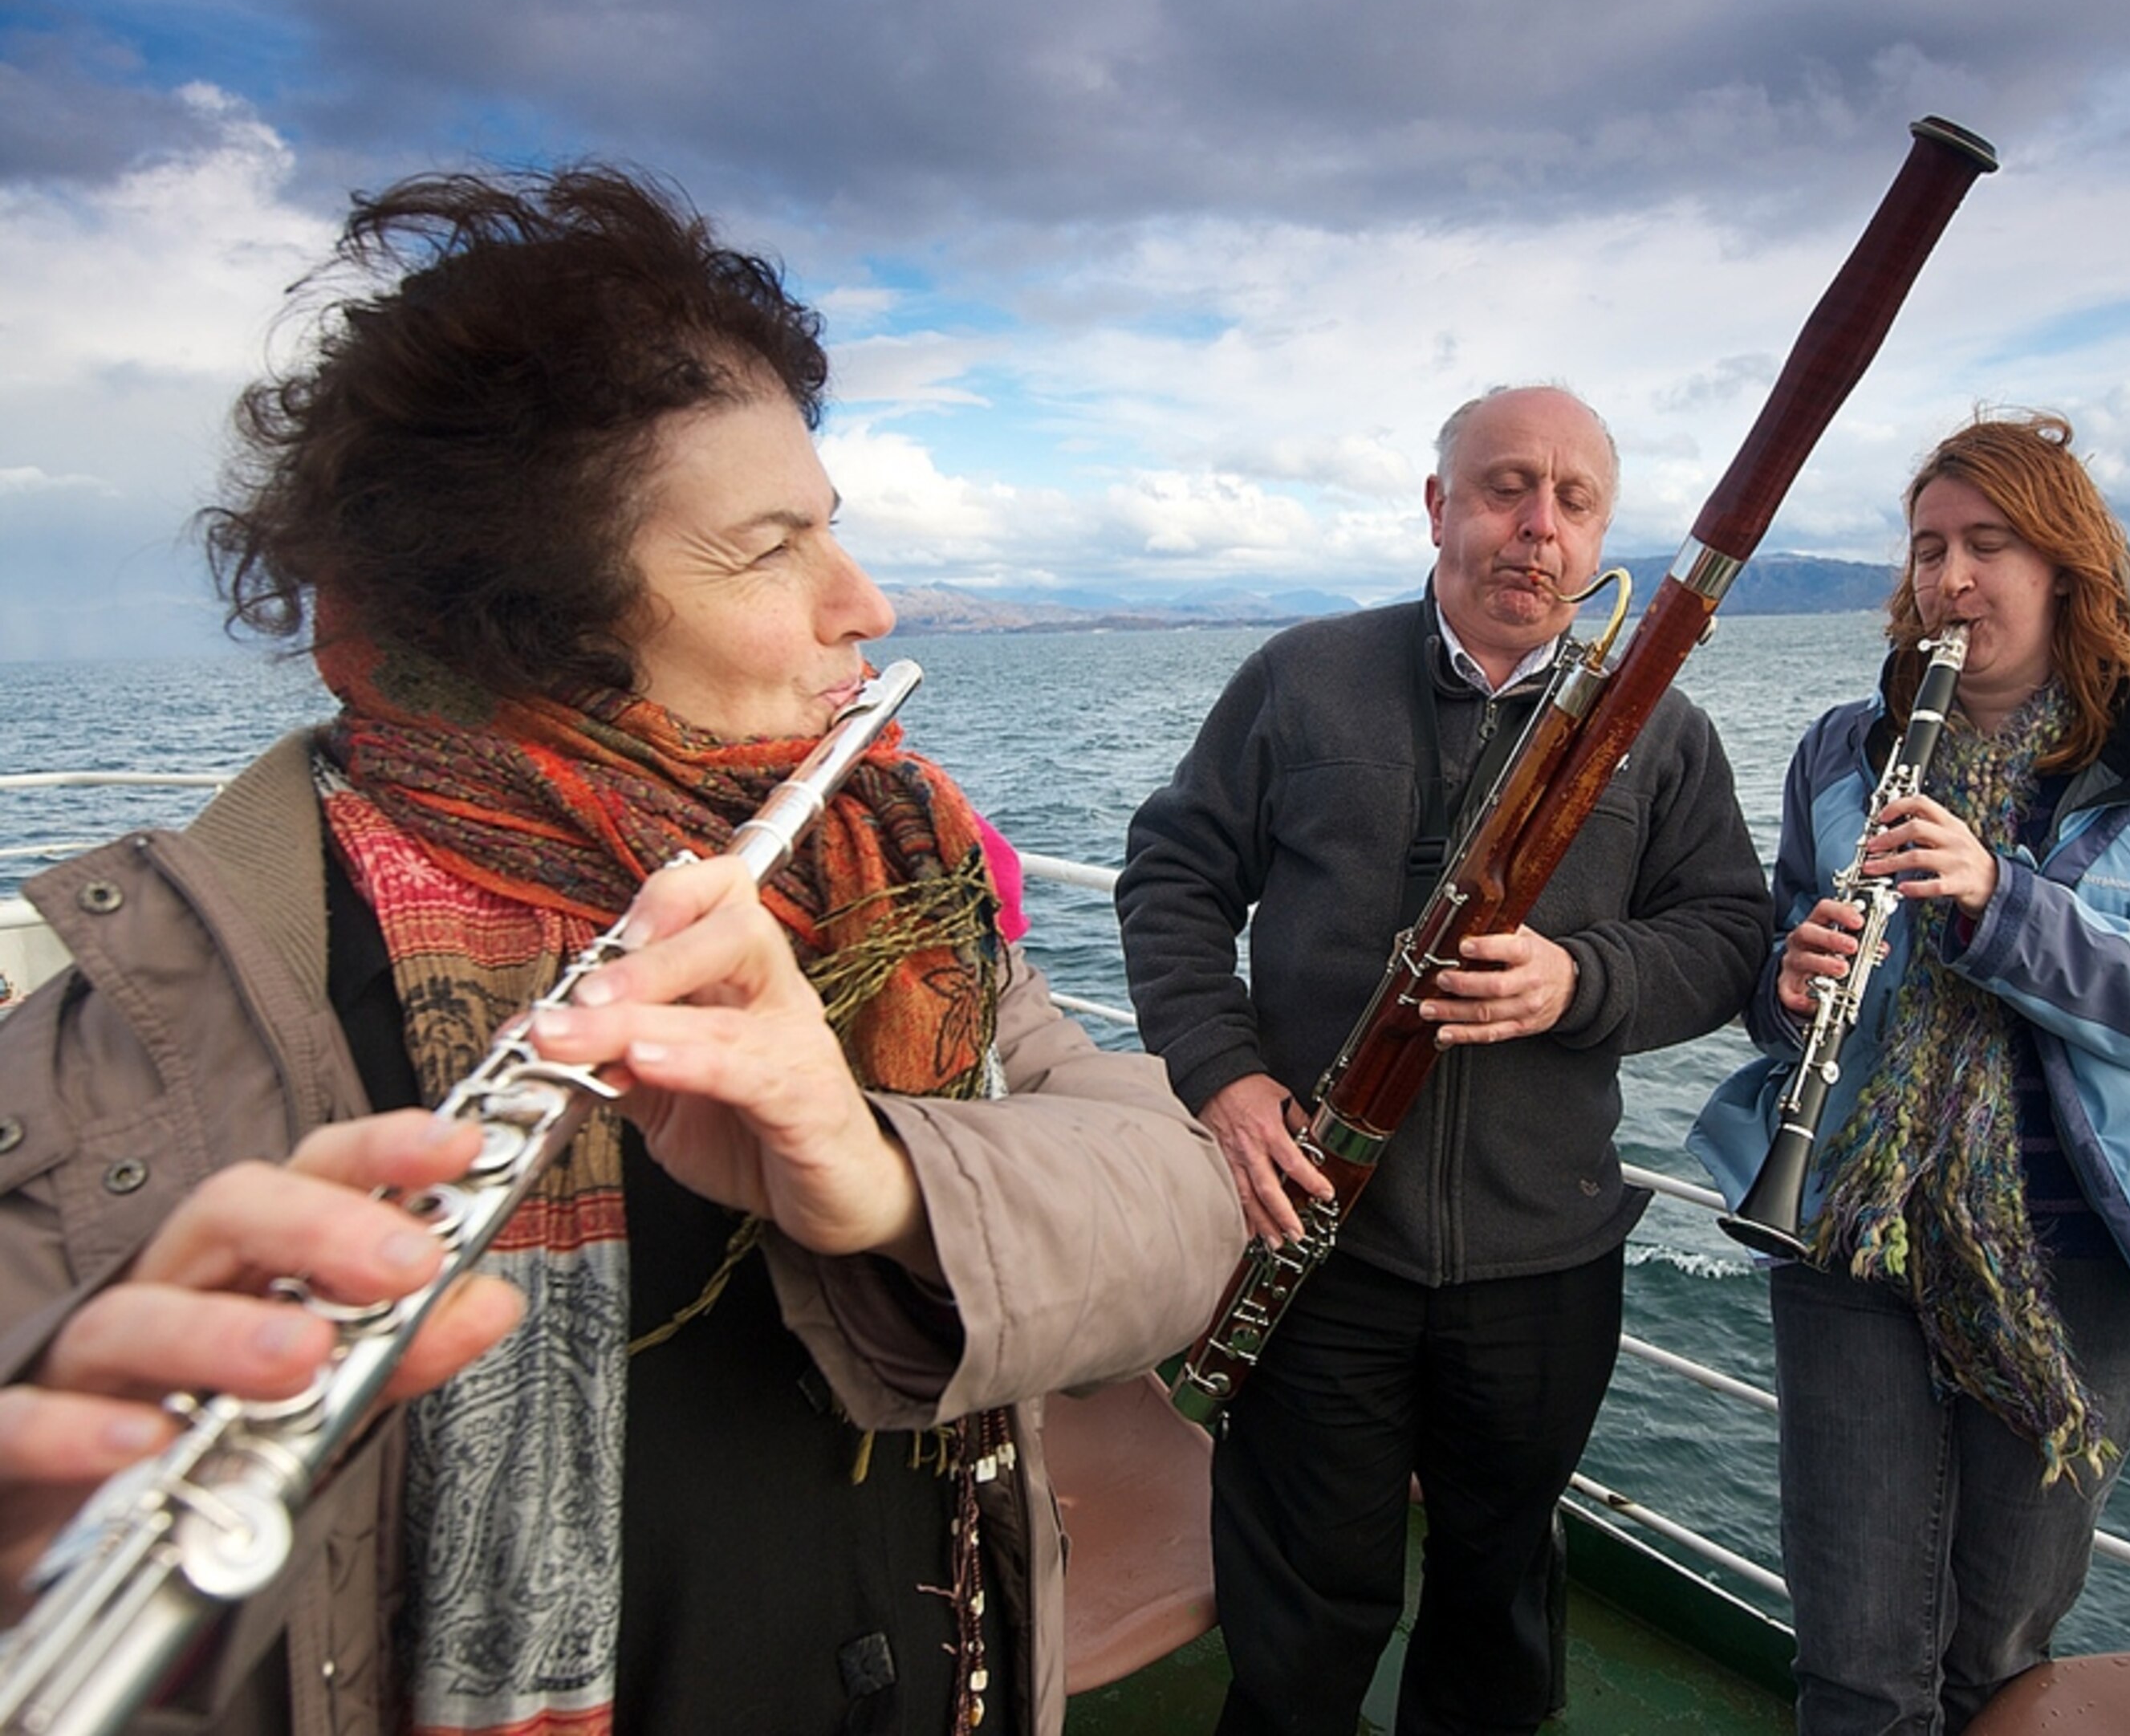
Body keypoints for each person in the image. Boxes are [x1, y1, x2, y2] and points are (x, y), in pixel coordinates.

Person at [0, 165, 1244, 1736]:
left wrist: (880, 1174)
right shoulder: (157, 1021)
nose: (863, 602)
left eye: (833, 532)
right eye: (769, 548)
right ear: (535, 617)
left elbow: (1189, 1209)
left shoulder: (882, 868)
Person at [1116, 384, 1770, 1736]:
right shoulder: (1302, 677)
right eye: (1504, 488)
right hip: (1315, 1239)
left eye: (1573, 501)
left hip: (1546, 1261)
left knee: (1497, 1601)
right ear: (1438, 507)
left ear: (1600, 538)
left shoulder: (1659, 724)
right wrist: (1224, 1076)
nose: (1537, 528)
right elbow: (1172, 879)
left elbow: (1724, 937)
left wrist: (1581, 979)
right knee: (1302, 1615)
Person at [1689, 411, 2130, 1736]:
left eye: (1988, 544)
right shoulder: (1845, 750)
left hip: (2077, 1258)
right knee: (1855, 1655)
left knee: (1997, 1656)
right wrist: (1785, 984)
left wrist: (2003, 901)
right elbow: (1781, 974)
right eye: (1927, 550)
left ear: (2065, 564)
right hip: (1854, 1229)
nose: (1951, 581)